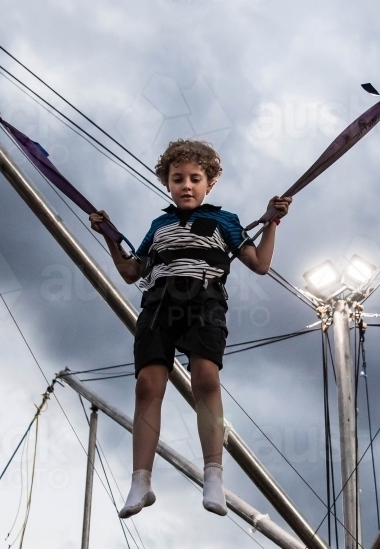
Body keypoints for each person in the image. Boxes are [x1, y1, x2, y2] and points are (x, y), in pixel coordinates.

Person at [90, 138, 291, 518]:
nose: (186, 185)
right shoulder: (159, 225)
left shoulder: (225, 221)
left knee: (205, 379)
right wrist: (109, 236)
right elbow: (133, 272)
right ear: (167, 182)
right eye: (177, 178)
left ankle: (213, 474)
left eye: (194, 178)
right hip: (159, 303)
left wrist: (272, 222)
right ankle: (141, 480)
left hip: (203, 300)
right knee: (147, 385)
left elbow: (260, 263)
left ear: (208, 184)